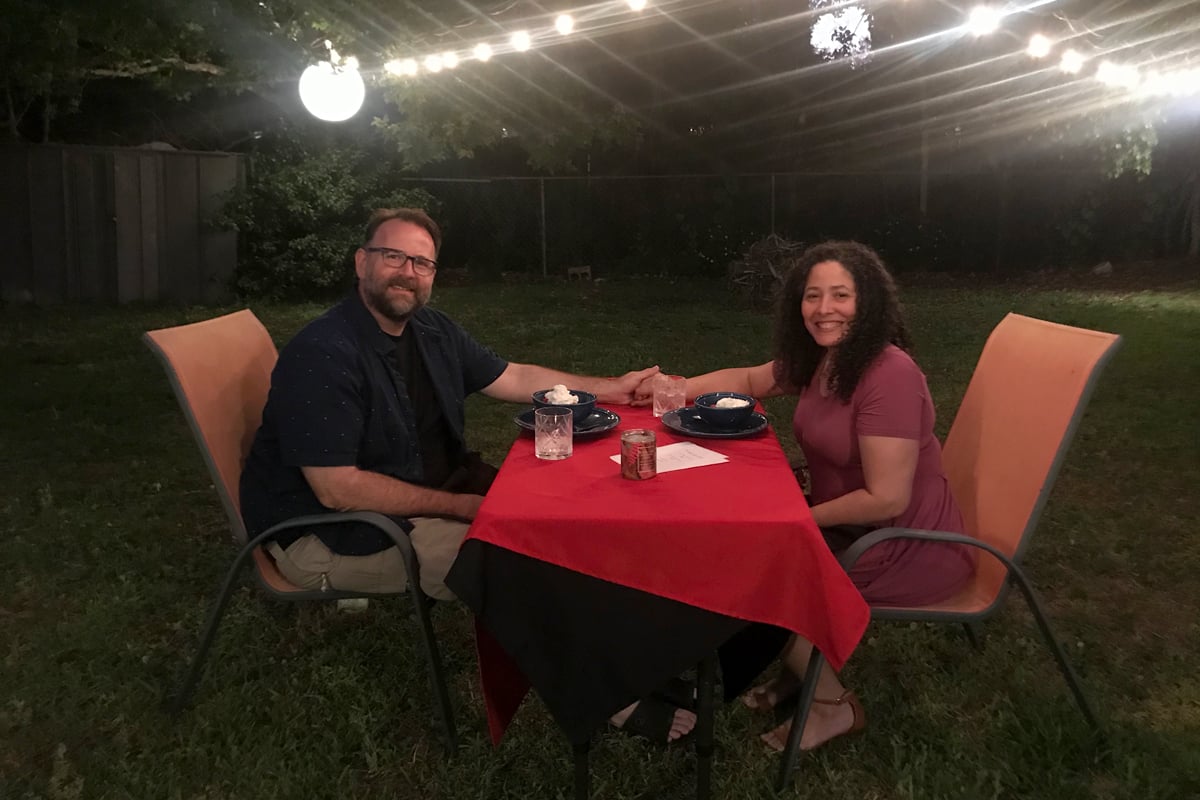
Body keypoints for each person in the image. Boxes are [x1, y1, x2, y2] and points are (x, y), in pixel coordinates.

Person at [239, 207, 691, 741]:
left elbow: (513, 375)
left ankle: (628, 655)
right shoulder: (324, 353)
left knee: (565, 514)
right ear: (361, 262)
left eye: (422, 263)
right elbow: (336, 488)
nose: (407, 271)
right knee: (520, 559)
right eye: (393, 256)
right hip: (336, 530)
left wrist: (608, 387)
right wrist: (463, 508)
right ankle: (611, 695)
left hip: (431, 489)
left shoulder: (430, 329)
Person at [636, 240, 975, 751]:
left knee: (752, 571)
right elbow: (750, 379)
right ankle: (799, 671)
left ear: (869, 302)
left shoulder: (888, 374)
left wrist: (796, 517)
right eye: (812, 295)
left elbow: (886, 498)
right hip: (847, 526)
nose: (823, 309)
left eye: (841, 294)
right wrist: (671, 387)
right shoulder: (826, 358)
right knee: (741, 543)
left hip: (900, 545)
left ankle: (833, 707)